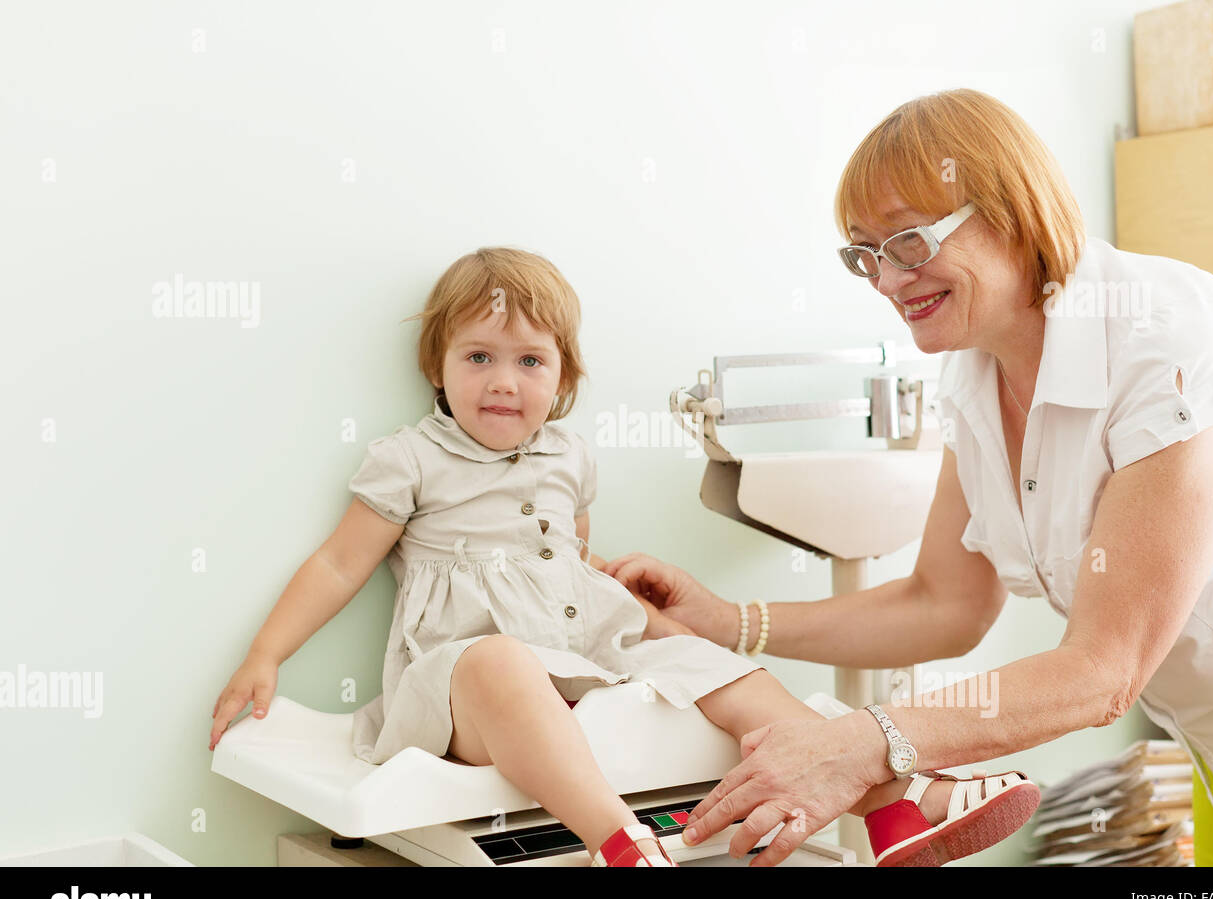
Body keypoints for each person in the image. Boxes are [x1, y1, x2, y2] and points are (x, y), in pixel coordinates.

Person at [605, 89, 1213, 867]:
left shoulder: (1171, 339)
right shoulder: (974, 381)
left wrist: (870, 745)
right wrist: (730, 621)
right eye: (864, 254)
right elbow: (944, 604)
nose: (886, 280)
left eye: (907, 240)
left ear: (1012, 209)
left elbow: (1103, 672)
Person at [207, 246, 1040, 867]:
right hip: (461, 679)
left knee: (720, 667)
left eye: (530, 361)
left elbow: (566, 567)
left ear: (563, 378)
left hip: (577, 650)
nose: (504, 381)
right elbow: (339, 565)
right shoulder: (412, 458)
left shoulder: (568, 458)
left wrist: (652, 618)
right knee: (500, 661)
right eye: (478, 357)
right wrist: (265, 652)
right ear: (439, 367)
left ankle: (899, 807)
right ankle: (621, 844)